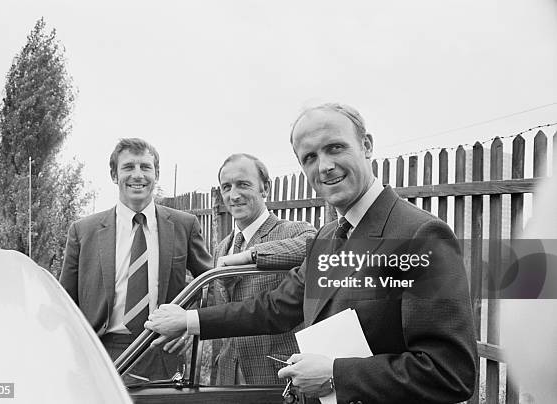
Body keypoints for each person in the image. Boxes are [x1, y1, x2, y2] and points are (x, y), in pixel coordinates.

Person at [146, 103, 477, 403]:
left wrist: (336, 374)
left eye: (335, 148)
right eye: (310, 157)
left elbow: (450, 372)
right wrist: (186, 321)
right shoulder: (327, 237)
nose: (325, 166)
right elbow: (274, 309)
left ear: (366, 146)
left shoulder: (419, 235)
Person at [60, 137, 212, 381]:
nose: (138, 175)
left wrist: (188, 325)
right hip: (101, 351)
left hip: (161, 349)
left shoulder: (185, 225)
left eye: (145, 167)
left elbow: (209, 286)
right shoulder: (83, 231)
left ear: (157, 173)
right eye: (129, 167)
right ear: (114, 175)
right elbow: (65, 301)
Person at [210, 153, 316, 385]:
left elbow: (314, 246)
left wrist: (250, 255)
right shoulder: (221, 248)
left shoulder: (294, 231)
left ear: (265, 188)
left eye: (243, 184)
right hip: (228, 376)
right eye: (226, 187)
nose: (234, 195)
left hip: (276, 375)